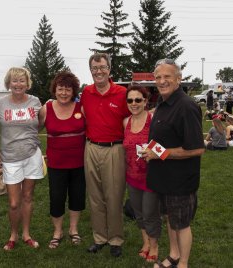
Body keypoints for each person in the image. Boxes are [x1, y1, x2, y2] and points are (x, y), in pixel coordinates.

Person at [141, 59, 205, 268]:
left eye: (167, 76)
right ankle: (173, 255)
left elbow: (196, 148)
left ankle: (183, 263)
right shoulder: (161, 102)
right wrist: (151, 150)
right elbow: (163, 141)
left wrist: (160, 153)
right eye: (158, 77)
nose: (162, 81)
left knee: (182, 224)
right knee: (170, 219)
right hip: (163, 177)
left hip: (180, 180)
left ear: (179, 79)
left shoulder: (186, 106)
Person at [81, 53, 130, 257]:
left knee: (114, 195)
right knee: (95, 197)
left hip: (114, 149)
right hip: (91, 147)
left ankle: (116, 239)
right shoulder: (86, 92)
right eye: (94, 68)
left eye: (102, 67)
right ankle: (99, 238)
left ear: (109, 69)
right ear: (90, 70)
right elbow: (83, 114)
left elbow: (131, 121)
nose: (98, 71)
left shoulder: (122, 92)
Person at [0, 67, 44, 251]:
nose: (18, 84)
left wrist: (31, 137)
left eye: (22, 80)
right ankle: (12, 235)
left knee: (28, 197)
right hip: (10, 157)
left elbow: (41, 121)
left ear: (27, 83)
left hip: (32, 155)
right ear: (9, 83)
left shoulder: (35, 101)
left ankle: (26, 234)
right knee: (14, 202)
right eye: (14, 80)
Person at [39, 71, 86, 249]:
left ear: (74, 91)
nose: (64, 93)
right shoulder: (47, 108)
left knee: (77, 197)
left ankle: (73, 230)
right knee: (56, 198)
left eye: (68, 89)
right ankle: (57, 232)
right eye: (61, 89)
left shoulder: (81, 107)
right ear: (55, 90)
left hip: (79, 163)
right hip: (56, 164)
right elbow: (33, 129)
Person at [122, 84, 161, 262]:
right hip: (132, 176)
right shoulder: (126, 122)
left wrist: (153, 152)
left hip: (151, 177)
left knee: (150, 213)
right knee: (138, 212)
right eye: (130, 100)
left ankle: (154, 246)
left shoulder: (153, 120)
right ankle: (145, 242)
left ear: (145, 101)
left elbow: (163, 148)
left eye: (138, 99)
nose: (134, 103)